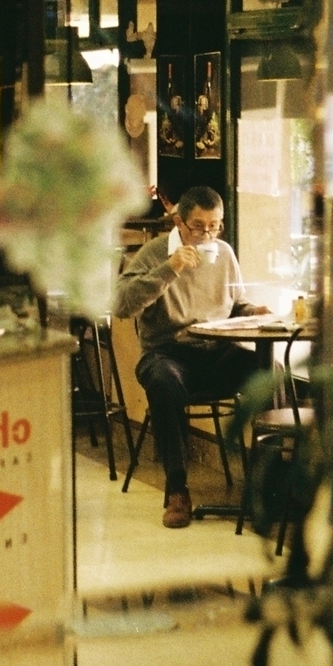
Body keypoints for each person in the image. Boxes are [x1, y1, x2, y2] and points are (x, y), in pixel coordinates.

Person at [114, 185, 268, 528]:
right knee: (163, 381)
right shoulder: (155, 253)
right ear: (180, 222)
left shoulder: (224, 253)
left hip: (215, 351)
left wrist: (254, 310)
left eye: (216, 226)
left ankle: (265, 484)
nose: (208, 234)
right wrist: (171, 268)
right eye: (199, 227)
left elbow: (234, 304)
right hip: (168, 352)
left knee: (267, 371)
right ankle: (177, 489)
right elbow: (123, 305)